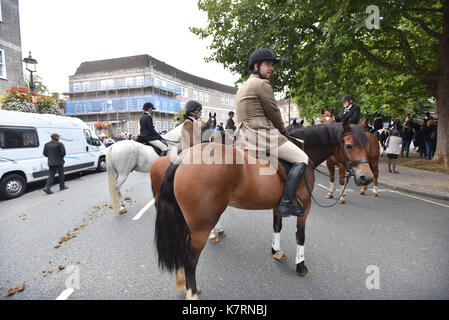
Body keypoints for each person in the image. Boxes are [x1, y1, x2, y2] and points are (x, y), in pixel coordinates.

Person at [235, 48, 309, 217]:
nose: (271, 68)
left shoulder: (242, 87)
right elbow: (274, 112)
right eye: (268, 64)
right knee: (302, 158)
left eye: (272, 65)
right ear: (256, 66)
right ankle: (286, 202)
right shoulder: (262, 84)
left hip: (245, 138)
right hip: (262, 137)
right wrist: (283, 131)